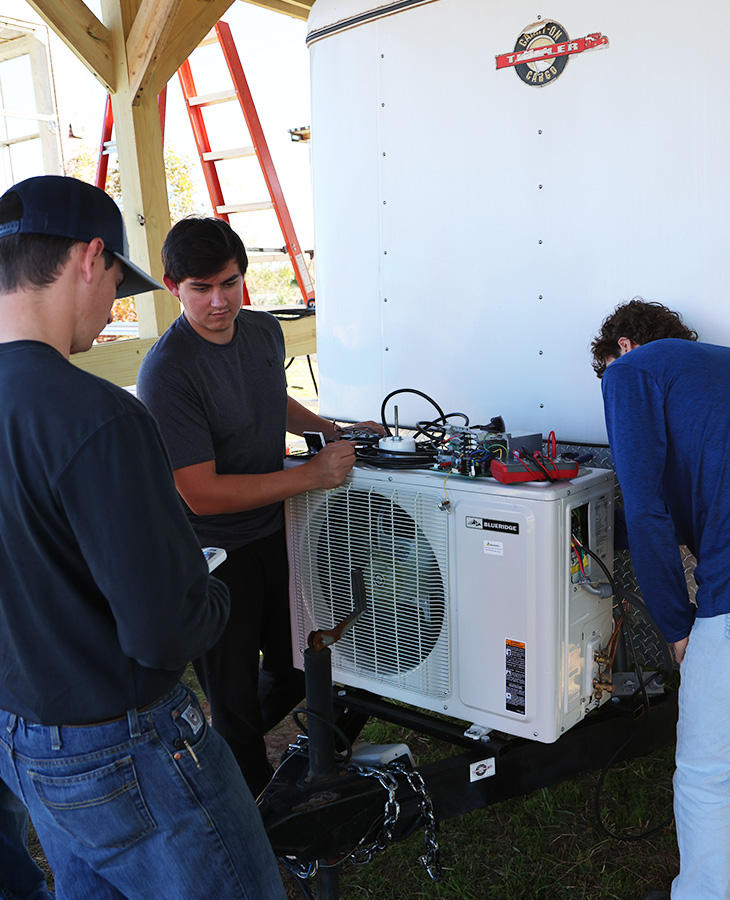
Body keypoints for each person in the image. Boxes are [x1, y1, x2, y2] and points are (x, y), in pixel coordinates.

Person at [0, 176, 285, 900]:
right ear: (91, 258)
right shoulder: (99, 417)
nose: (112, 308)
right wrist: (213, 593)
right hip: (120, 740)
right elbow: (165, 630)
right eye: (117, 284)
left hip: (22, 730)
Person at [137, 216, 385, 796]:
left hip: (277, 529)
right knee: (232, 696)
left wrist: (333, 428)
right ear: (174, 286)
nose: (219, 301)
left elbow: (273, 397)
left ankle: (290, 766)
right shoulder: (167, 371)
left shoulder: (264, 330)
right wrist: (311, 476)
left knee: (307, 658)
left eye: (230, 283)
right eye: (201, 288)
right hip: (210, 550)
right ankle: (251, 814)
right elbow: (201, 491)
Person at [591, 297, 730, 900]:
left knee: (706, 773)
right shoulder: (713, 371)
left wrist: (679, 628)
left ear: (622, 347)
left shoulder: (632, 372)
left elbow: (646, 512)